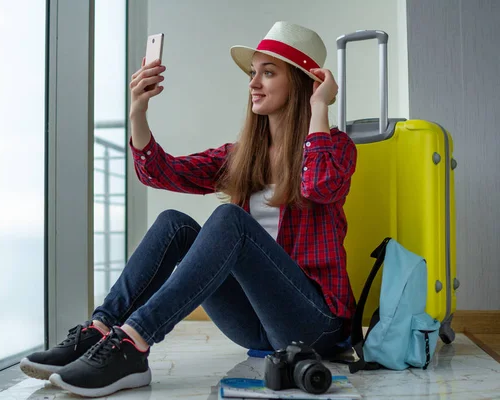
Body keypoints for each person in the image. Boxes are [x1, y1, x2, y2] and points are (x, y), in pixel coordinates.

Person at [20, 21, 357, 398]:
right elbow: (161, 172)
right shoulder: (243, 155)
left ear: (301, 82)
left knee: (231, 219)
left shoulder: (334, 146)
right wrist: (138, 112)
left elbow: (320, 185)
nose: (253, 83)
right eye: (252, 73)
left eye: (268, 72)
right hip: (255, 325)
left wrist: (318, 107)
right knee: (174, 225)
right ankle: (100, 329)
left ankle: (134, 342)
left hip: (315, 325)